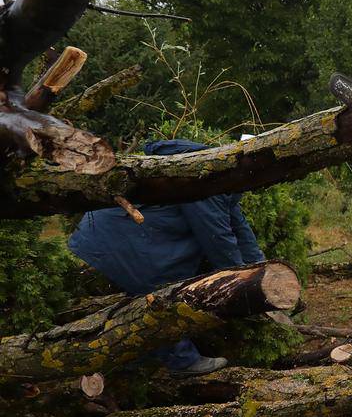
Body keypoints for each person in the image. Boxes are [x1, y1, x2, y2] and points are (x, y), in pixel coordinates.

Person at [68, 138, 264, 375]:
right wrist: (246, 287)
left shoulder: (220, 173)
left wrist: (263, 271)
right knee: (162, 296)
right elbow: (216, 239)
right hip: (123, 241)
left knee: (139, 307)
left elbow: (239, 226)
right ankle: (182, 362)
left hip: (118, 236)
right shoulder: (206, 179)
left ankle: (134, 368)